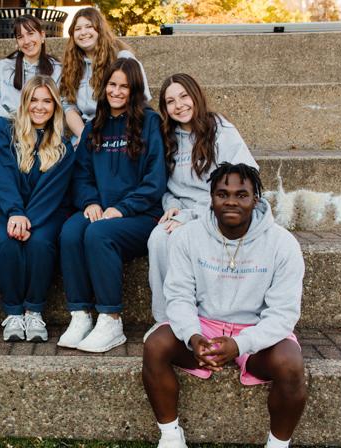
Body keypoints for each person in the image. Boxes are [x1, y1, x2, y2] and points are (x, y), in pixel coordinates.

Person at [142, 163, 307, 448]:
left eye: (241, 195)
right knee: (155, 344)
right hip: (204, 325)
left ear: (256, 199)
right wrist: (193, 337)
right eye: (222, 193)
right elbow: (179, 297)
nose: (231, 201)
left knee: (290, 363)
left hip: (255, 332)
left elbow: (282, 315)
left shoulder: (283, 244)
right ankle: (170, 437)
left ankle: (278, 444)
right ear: (211, 198)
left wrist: (240, 344)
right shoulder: (187, 236)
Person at [58, 58, 166, 353]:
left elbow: (155, 180)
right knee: (70, 231)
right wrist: (90, 201)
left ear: (135, 90)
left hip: (141, 215)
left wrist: (123, 208)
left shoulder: (150, 123)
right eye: (112, 84)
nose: (117, 92)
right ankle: (80, 315)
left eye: (124, 87)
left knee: (98, 234)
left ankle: (111, 319)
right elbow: (81, 175)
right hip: (102, 210)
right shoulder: (95, 127)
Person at [148, 73, 258, 324]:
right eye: (170, 101)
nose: (179, 105)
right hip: (183, 210)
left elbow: (240, 182)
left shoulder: (219, 129)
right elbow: (166, 187)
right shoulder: (167, 137)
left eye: (184, 96)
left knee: (184, 238)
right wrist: (173, 206)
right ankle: (166, 321)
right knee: (158, 238)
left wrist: (191, 215)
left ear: (195, 95)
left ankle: (200, 318)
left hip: (217, 210)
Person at [0, 75, 75, 342]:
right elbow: (2, 175)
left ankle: (34, 311)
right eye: (34, 99)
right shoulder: (2, 129)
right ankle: (13, 312)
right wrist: (15, 212)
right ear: (24, 101)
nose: (40, 106)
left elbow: (52, 191)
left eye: (47, 101)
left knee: (40, 243)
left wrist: (29, 220)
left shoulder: (63, 144)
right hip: (7, 207)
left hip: (45, 211)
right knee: (5, 243)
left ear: (55, 106)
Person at [60, 7, 151, 144]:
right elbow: (69, 107)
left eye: (89, 26)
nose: (83, 32)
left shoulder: (122, 58)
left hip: (119, 130)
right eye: (78, 29)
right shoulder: (71, 65)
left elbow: (140, 99)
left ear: (100, 29)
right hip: (85, 130)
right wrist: (85, 135)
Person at [0, 15, 62, 125]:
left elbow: (57, 109)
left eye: (31, 33)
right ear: (17, 42)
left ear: (42, 36)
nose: (26, 41)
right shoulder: (3, 67)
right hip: (9, 129)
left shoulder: (56, 69)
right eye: (20, 37)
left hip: (42, 130)